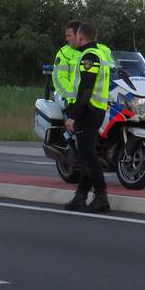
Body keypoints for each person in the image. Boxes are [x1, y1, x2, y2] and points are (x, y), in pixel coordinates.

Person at [63, 22, 115, 213]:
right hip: (95, 110)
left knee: (87, 156)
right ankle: (80, 197)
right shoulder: (100, 54)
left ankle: (102, 198)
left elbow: (86, 88)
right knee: (85, 155)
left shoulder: (90, 56)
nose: (73, 39)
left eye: (75, 35)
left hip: (89, 111)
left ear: (81, 36)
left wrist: (73, 115)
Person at [51, 20, 82, 107]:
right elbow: (59, 79)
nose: (67, 39)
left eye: (69, 35)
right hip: (71, 103)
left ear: (79, 35)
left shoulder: (94, 51)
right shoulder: (64, 53)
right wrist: (73, 98)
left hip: (94, 104)